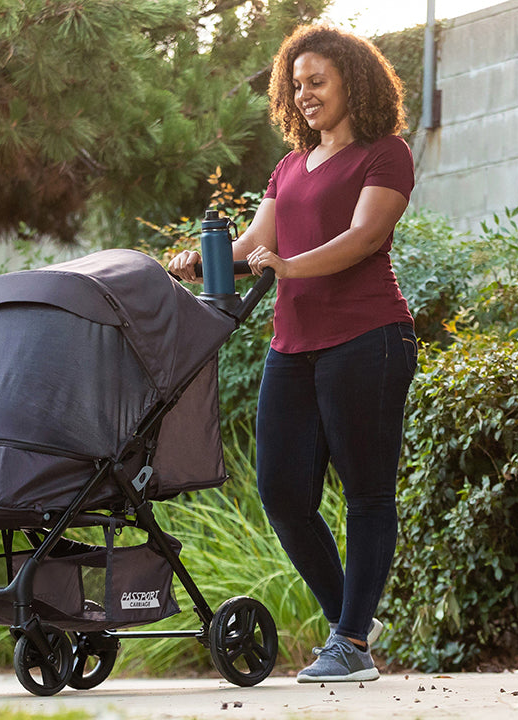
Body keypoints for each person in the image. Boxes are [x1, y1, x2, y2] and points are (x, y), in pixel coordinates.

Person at [169, 24, 418, 683]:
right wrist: (201, 262)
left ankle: (352, 643)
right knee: (282, 492)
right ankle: (354, 630)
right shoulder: (289, 166)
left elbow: (365, 237)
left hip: (369, 338)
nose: (305, 94)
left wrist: (289, 264)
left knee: (366, 494)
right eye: (297, 85)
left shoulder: (384, 153)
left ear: (352, 82)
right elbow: (256, 244)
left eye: (318, 82)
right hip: (294, 345)